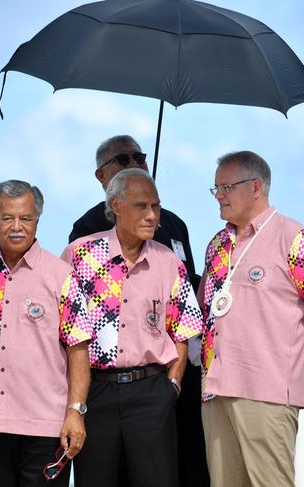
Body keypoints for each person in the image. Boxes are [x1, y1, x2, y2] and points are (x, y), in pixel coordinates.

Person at [69, 135, 209, 487]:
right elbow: (70, 329)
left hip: (153, 390)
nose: (151, 215)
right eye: (122, 158)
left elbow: (185, 325)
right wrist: (74, 400)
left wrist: (172, 386)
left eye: (139, 156)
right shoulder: (81, 246)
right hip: (96, 391)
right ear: (112, 198)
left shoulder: (172, 233)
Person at [198, 151, 304, 487]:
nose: (219, 195)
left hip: (268, 391)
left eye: (226, 187)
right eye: (215, 188)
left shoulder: (296, 238)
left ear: (256, 187)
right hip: (216, 389)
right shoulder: (217, 244)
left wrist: (301, 363)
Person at [0, 180, 93, 487]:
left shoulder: (61, 276)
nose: (17, 227)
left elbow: (78, 350)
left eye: (25, 218)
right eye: (7, 218)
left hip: (47, 426)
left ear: (37, 220)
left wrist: (76, 412)